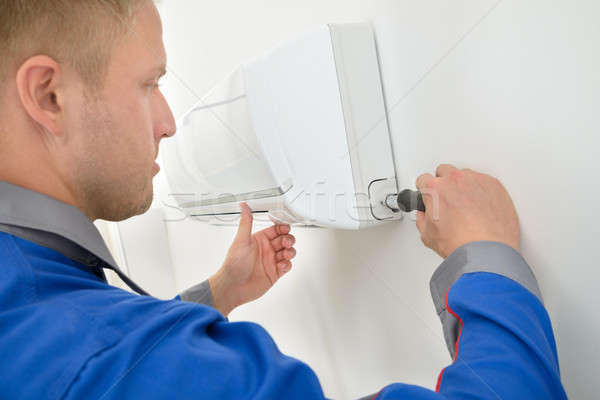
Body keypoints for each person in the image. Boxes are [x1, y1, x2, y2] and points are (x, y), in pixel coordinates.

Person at [0, 1, 567, 399]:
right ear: (49, 95)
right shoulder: (95, 359)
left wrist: (216, 294)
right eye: (149, 84)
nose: (169, 124)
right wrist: (486, 258)